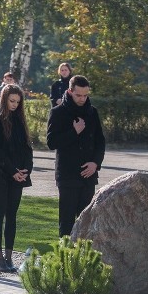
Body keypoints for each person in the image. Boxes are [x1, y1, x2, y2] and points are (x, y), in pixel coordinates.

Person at [46, 75, 105, 237]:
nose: (82, 98)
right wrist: (74, 132)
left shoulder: (92, 112)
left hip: (88, 175)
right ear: (70, 91)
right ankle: (66, 259)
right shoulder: (58, 112)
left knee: (87, 221)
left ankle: (84, 259)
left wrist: (95, 163)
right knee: (66, 222)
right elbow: (51, 142)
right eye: (78, 95)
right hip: (67, 174)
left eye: (85, 95)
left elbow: (100, 142)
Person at [0, 84, 33, 273]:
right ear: (4, 99)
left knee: (12, 214)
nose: (14, 105)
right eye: (11, 101)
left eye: (18, 102)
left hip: (19, 171)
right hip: (1, 170)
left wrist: (26, 169)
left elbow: (27, 146)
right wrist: (12, 170)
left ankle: (9, 256)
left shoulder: (19, 118)